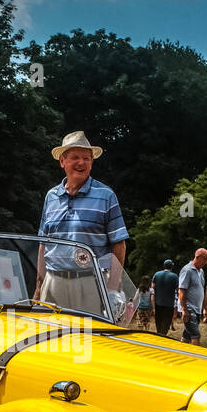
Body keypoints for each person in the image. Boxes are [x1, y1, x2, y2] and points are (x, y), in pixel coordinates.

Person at [36, 131, 128, 312]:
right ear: (62, 161)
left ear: (92, 163)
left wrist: (111, 288)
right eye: (75, 157)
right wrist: (39, 285)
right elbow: (43, 244)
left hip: (91, 282)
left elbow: (119, 245)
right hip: (53, 281)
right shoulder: (51, 196)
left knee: (86, 339)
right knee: (51, 338)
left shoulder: (106, 195)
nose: (81, 163)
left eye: (86, 158)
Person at [177, 248, 207, 344]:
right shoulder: (187, 270)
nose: (206, 263)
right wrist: (184, 309)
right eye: (205, 260)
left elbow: (201, 290)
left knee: (187, 336)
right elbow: (182, 290)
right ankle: (196, 358)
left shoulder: (201, 271)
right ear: (198, 257)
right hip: (189, 308)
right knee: (196, 335)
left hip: (197, 309)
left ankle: (181, 353)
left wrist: (205, 308)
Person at [151, 259, 179, 335]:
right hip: (169, 305)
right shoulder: (175, 276)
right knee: (165, 327)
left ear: (164, 266)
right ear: (172, 266)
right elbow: (178, 290)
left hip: (158, 304)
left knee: (159, 327)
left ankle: (159, 340)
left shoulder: (157, 274)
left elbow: (152, 288)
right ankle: (162, 340)